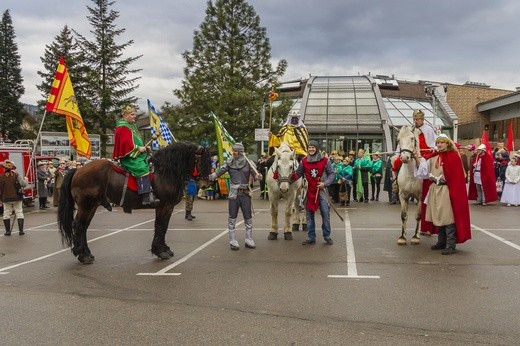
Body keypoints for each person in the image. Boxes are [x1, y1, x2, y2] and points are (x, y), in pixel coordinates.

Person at [413, 134, 471, 255]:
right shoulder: (434, 156)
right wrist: (416, 158)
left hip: (447, 190)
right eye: (438, 142)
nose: (439, 144)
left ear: (447, 144)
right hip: (435, 189)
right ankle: (441, 241)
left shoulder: (454, 157)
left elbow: (459, 177)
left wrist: (448, 184)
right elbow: (423, 171)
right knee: (438, 216)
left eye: (442, 142)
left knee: (448, 217)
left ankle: (450, 244)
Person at [209, 143, 262, 250]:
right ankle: (232, 240)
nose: (233, 152)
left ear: (241, 152)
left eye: (236, 151)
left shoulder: (248, 163)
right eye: (233, 150)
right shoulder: (228, 162)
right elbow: (218, 173)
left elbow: (255, 176)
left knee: (248, 218)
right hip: (233, 194)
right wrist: (209, 176)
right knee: (232, 218)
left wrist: (258, 176)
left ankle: (248, 239)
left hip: (245, 193)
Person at [295, 140, 336, 245]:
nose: (311, 149)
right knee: (309, 216)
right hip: (309, 190)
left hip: (321, 190)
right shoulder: (304, 161)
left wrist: (325, 183)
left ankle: (327, 235)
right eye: (309, 147)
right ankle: (311, 237)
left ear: (317, 148)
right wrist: (283, 176)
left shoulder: (325, 160)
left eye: (313, 147)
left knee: (325, 213)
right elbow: (297, 174)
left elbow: (332, 174)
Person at [113, 105, 156, 205]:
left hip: (138, 154)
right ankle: (145, 196)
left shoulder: (132, 126)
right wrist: (137, 148)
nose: (134, 117)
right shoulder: (123, 127)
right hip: (129, 157)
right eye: (132, 115)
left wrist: (144, 148)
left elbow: (136, 141)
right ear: (125, 115)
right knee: (142, 168)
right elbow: (125, 144)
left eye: (134, 115)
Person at [0, 160, 28, 235]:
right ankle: (21, 231)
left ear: (3, 168)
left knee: (6, 214)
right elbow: (24, 184)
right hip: (17, 197)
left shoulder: (1, 177)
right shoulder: (16, 175)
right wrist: (26, 179)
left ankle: (7, 231)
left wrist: (0, 200)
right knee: (19, 212)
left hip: (6, 198)